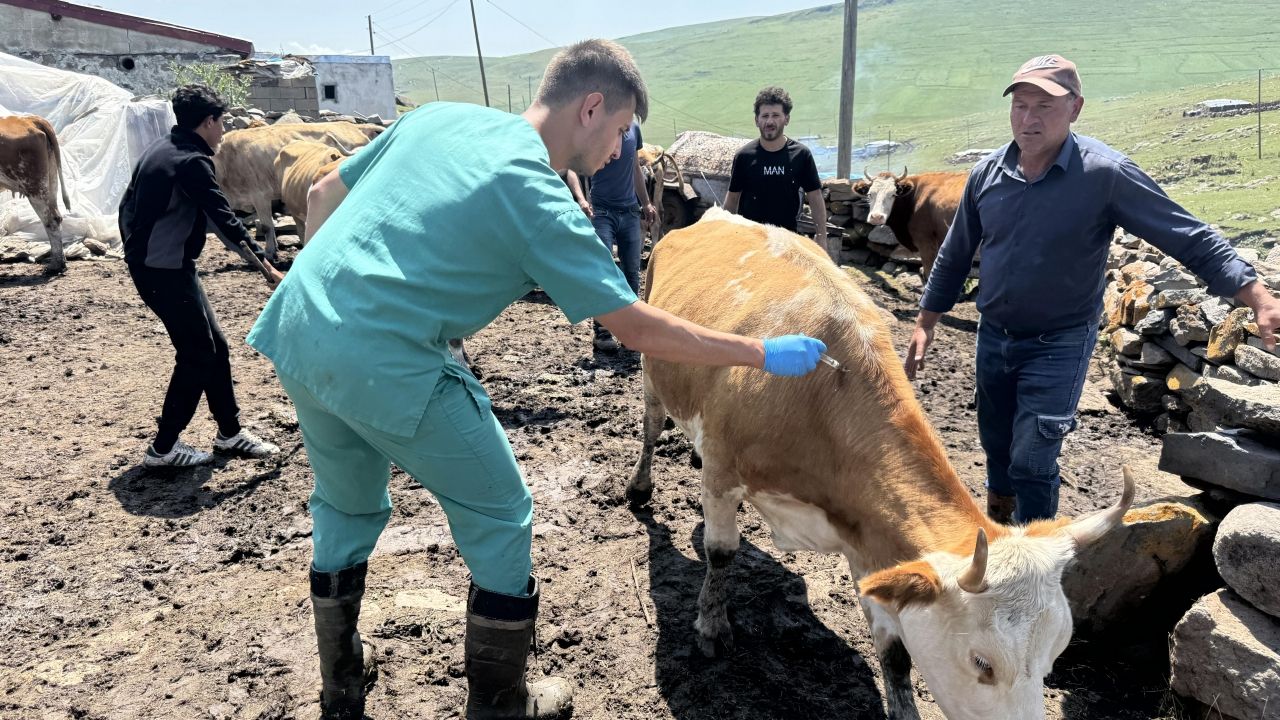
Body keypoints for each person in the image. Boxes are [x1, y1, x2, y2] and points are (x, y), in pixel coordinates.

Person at [244, 40, 826, 720]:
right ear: (590, 108)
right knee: (502, 514)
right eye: (621, 130)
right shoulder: (542, 200)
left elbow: (321, 194)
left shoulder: (440, 117)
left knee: (344, 506)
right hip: (386, 357)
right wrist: (760, 352)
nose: (621, 150)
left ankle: (341, 685)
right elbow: (636, 328)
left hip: (298, 327)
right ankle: (501, 705)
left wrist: (334, 304)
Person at [904, 54, 1280, 524]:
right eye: (1021, 105)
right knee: (996, 446)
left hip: (1059, 342)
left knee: (1033, 459)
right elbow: (955, 252)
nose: (1029, 118)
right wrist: (926, 322)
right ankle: (1001, 530)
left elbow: (1187, 236)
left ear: (1075, 108)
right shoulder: (988, 174)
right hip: (994, 336)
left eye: (1044, 106)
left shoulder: (1105, 175)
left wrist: (1256, 295)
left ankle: (1037, 553)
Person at [118, 83, 283, 469]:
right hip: (163, 271)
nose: (223, 130)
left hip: (164, 266)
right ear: (207, 122)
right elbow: (224, 219)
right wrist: (267, 268)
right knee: (197, 354)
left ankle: (229, 433)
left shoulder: (162, 148)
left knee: (215, 347)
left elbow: (126, 206)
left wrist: (136, 251)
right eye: (221, 122)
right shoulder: (191, 162)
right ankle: (163, 449)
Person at [563, 119, 657, 351]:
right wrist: (581, 199)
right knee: (604, 269)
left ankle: (630, 330)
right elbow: (573, 167)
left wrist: (646, 203)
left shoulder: (634, 129)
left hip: (630, 211)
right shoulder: (597, 126)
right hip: (602, 211)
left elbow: (635, 167)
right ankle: (602, 331)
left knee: (632, 271)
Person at [723, 86, 830, 258]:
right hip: (750, 242)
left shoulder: (801, 155)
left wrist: (821, 236)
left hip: (788, 242)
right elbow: (732, 199)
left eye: (775, 115)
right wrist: (724, 235)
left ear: (786, 119)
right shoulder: (744, 156)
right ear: (756, 120)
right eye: (765, 116)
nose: (769, 122)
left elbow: (815, 197)